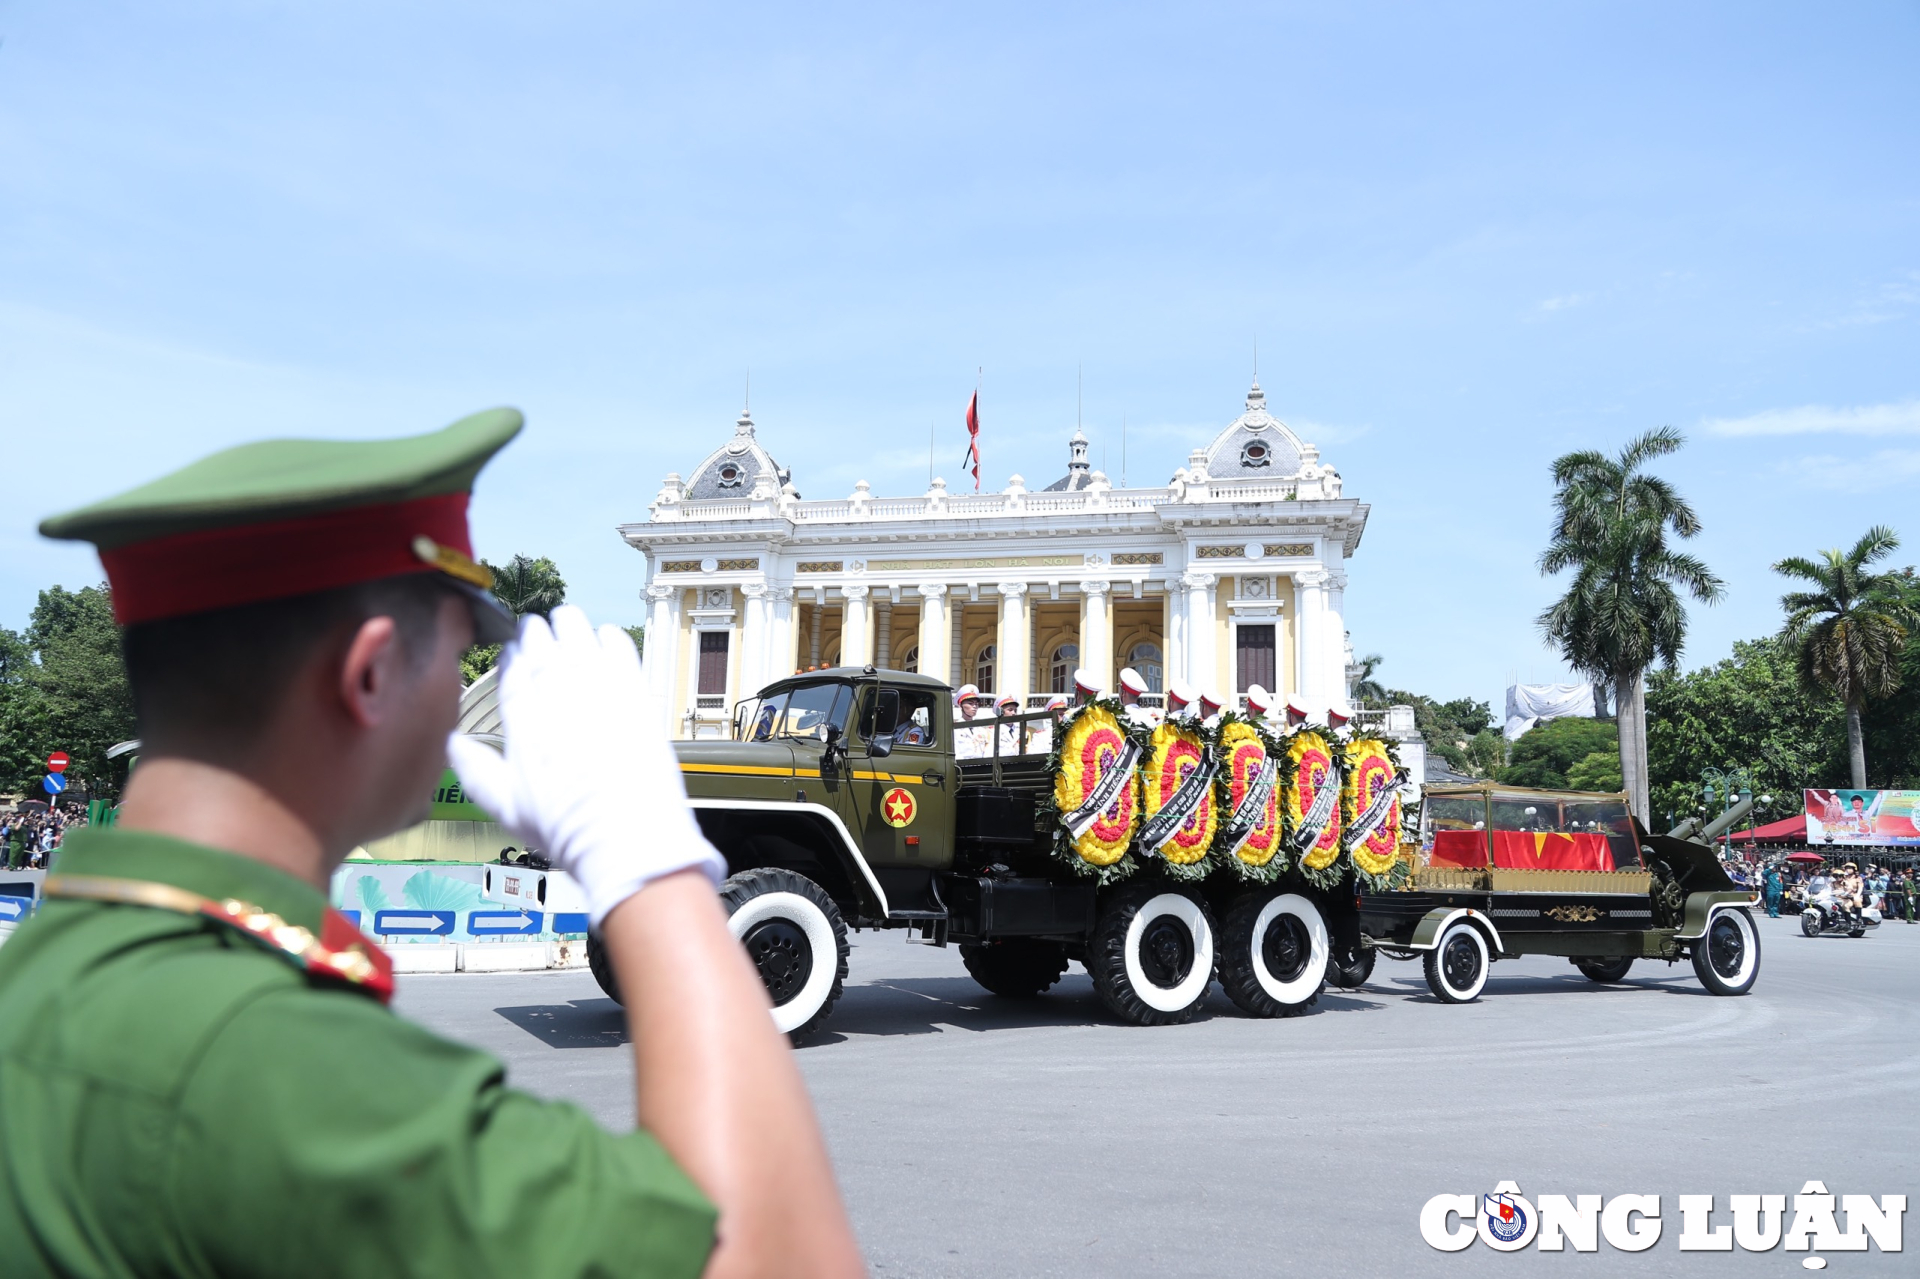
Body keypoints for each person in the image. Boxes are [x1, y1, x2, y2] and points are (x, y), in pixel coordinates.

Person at [0, 409, 864, 1277]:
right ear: (370, 674)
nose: (461, 701)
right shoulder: (281, 1069)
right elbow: (776, 1255)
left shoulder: (44, 970)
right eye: (455, 660)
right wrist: (656, 873)